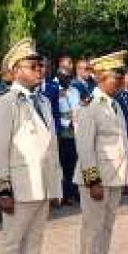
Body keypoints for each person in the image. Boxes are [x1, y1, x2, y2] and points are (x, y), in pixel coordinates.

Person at [0, 38, 62, 254]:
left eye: (40, 65)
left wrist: (55, 185)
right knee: (12, 241)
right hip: (19, 185)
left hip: (40, 183)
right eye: (33, 65)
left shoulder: (42, 100)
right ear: (16, 69)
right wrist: (2, 189)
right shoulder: (6, 102)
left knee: (35, 240)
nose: (39, 70)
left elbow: (50, 147)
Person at [74, 51, 128, 254]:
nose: (119, 82)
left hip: (114, 175)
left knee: (107, 225)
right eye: (115, 78)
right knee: (92, 226)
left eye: (120, 77)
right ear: (101, 78)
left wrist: (126, 174)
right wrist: (92, 179)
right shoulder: (90, 106)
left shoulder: (115, 104)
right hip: (96, 177)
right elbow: (85, 146)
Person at [54, 65, 82, 205]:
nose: (67, 80)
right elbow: (54, 113)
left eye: (69, 77)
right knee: (64, 166)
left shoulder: (75, 91)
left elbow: (78, 109)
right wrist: (66, 122)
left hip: (75, 131)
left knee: (75, 164)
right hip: (62, 133)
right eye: (64, 77)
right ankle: (65, 195)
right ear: (58, 77)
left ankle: (74, 193)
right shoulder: (54, 91)